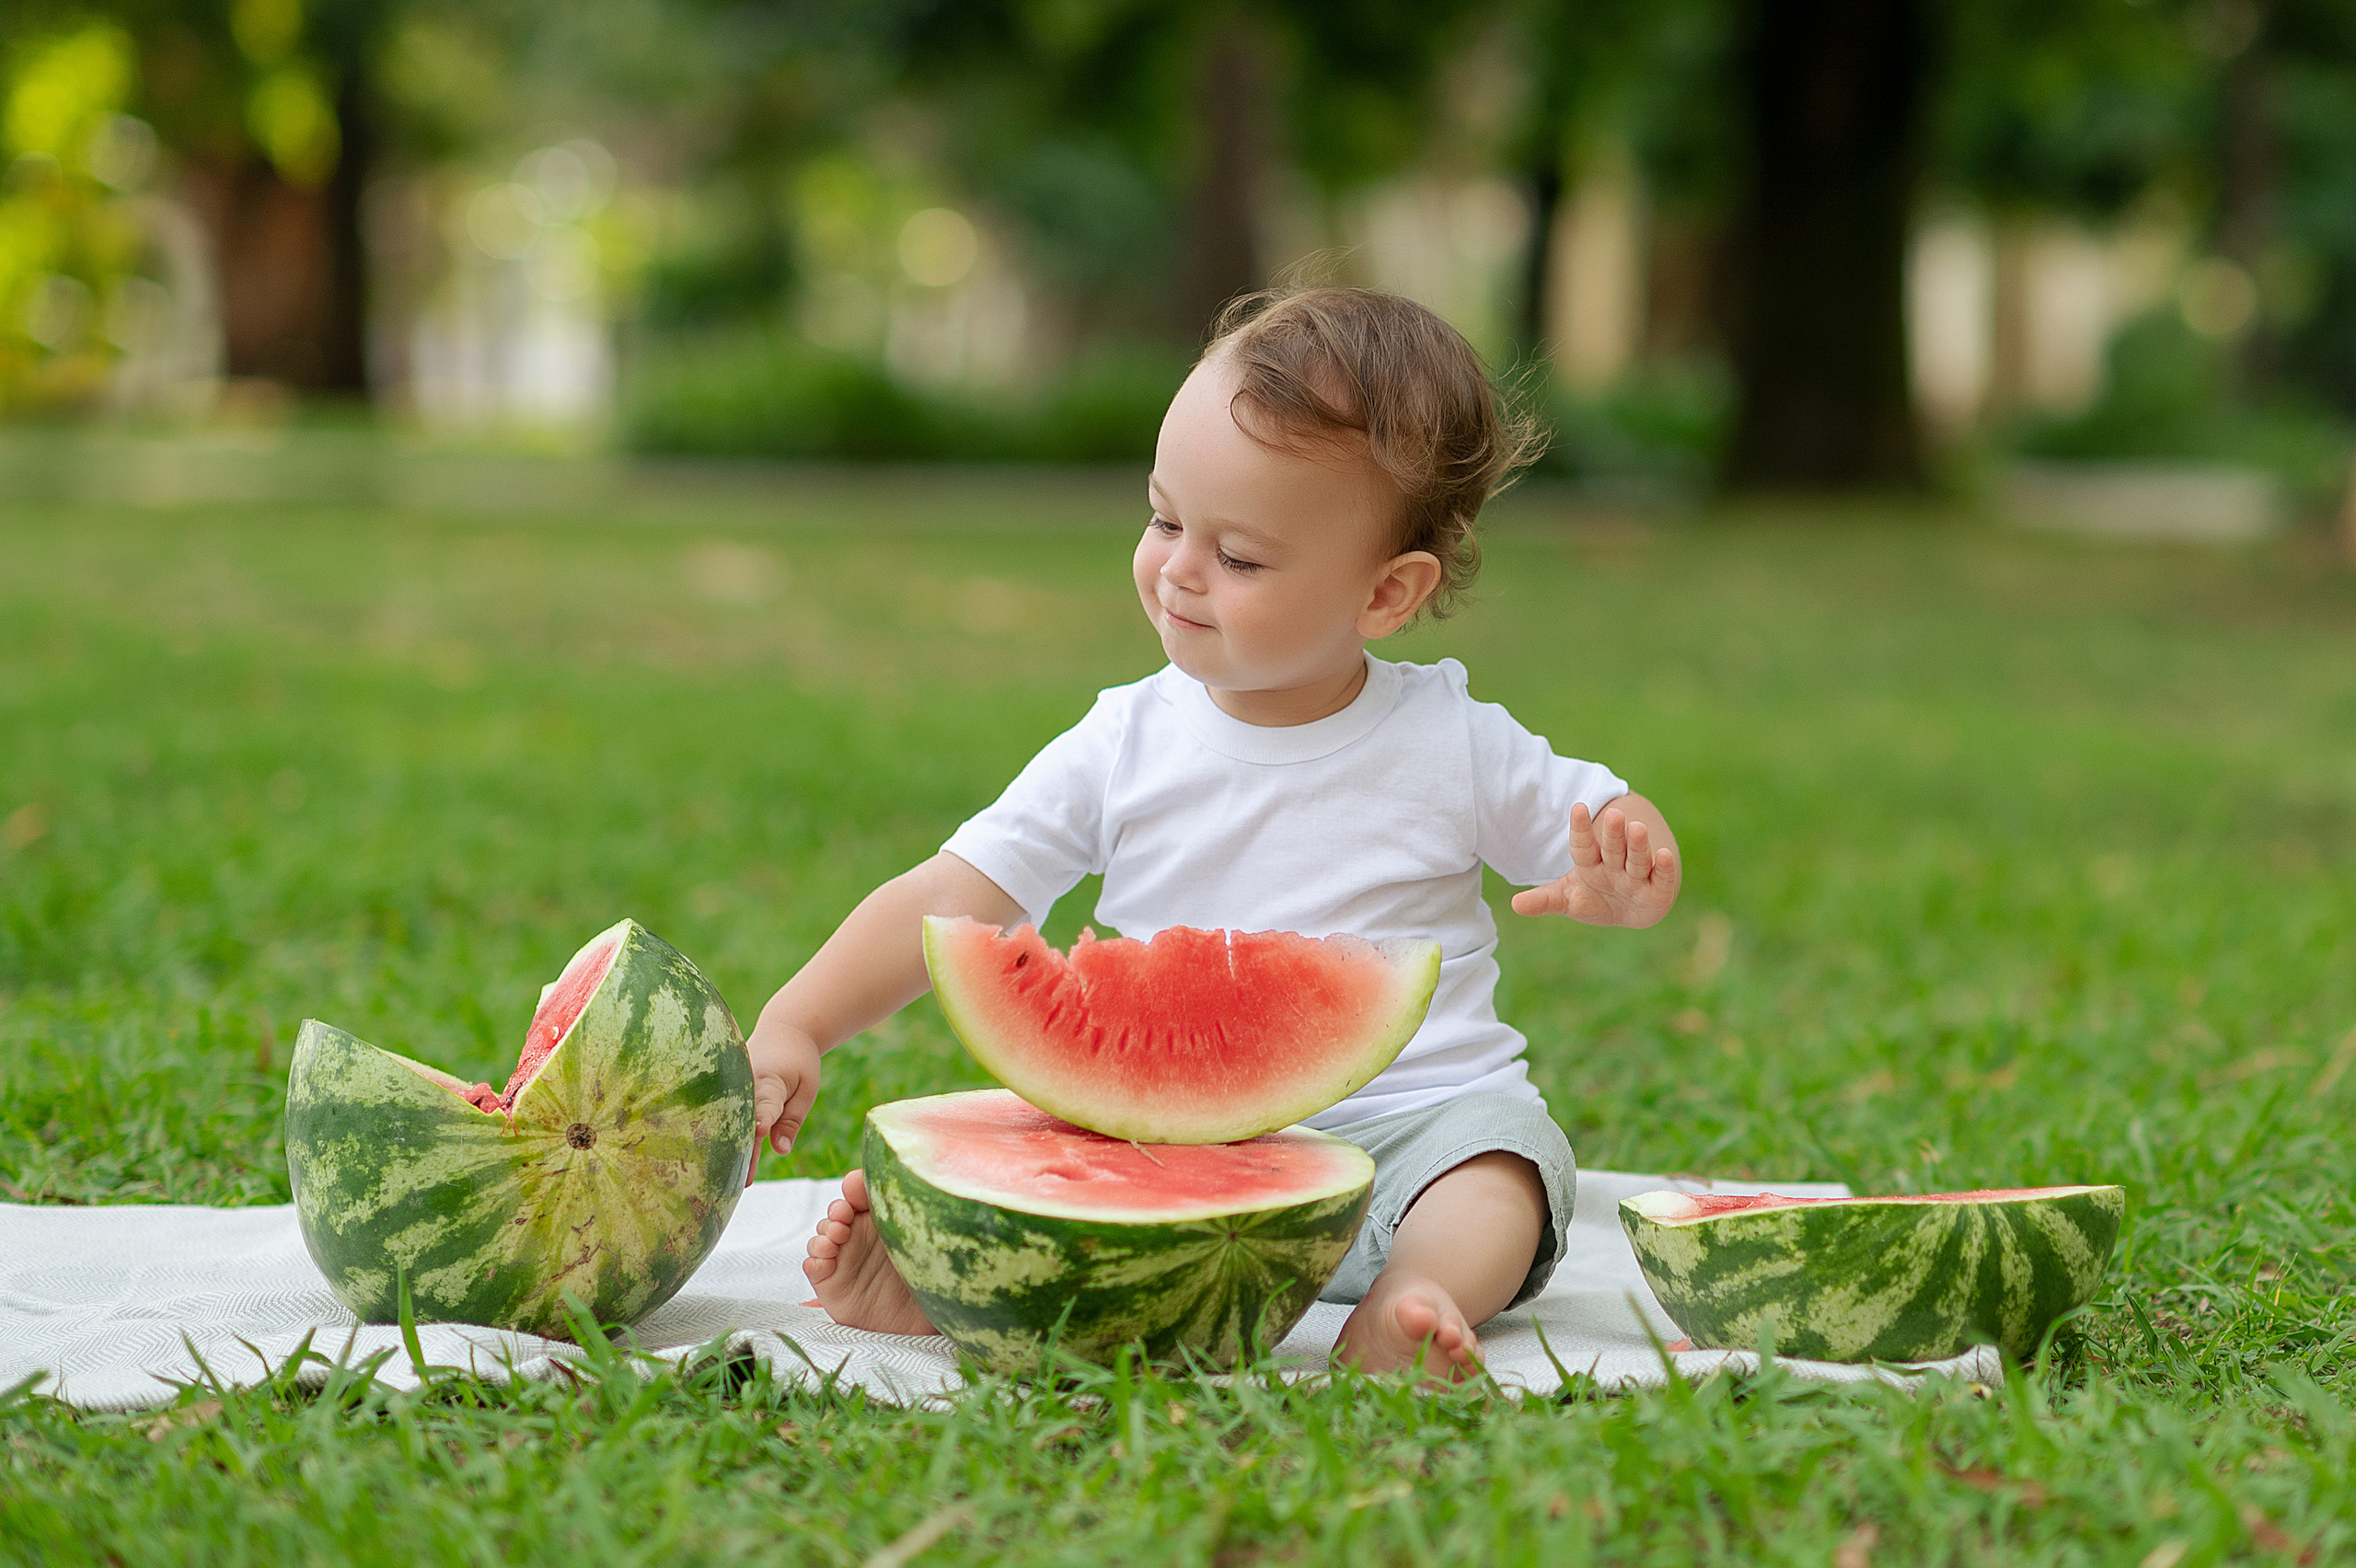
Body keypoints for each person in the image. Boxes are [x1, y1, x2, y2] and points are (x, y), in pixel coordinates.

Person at [751, 285, 1680, 1378]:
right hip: (1159, 1142)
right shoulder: (1122, 738)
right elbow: (953, 894)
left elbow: (1601, 820)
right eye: (1162, 519)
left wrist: (1626, 866)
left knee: (1505, 1172)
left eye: (1238, 557)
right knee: (1039, 1138)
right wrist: (800, 1020)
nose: (1179, 569)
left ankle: (1416, 1297)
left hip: (1414, 1122)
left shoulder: (1454, 738)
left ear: (1386, 591)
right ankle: (939, 1280)